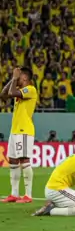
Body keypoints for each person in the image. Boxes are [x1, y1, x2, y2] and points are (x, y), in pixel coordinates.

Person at [0, 67, 37, 204]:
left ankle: (28, 195)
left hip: (24, 130)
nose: (17, 78)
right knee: (13, 161)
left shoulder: (30, 90)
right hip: (15, 130)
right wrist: (13, 79)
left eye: (19, 76)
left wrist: (15, 79)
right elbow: (3, 95)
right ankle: (14, 194)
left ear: (25, 78)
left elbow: (11, 93)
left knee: (24, 160)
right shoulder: (19, 91)